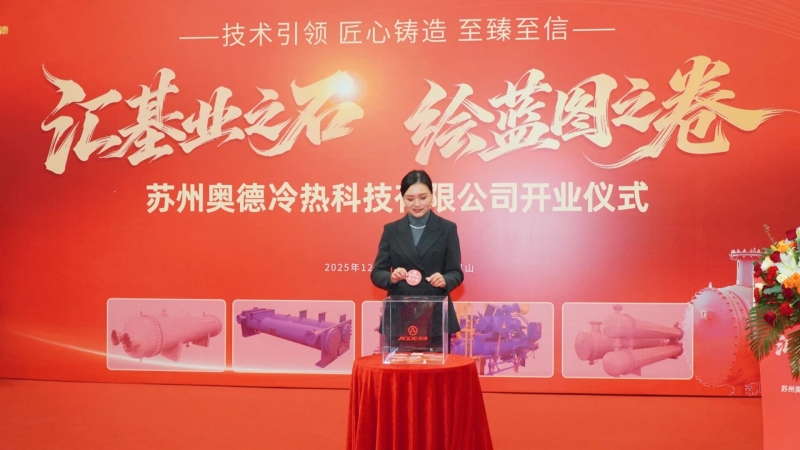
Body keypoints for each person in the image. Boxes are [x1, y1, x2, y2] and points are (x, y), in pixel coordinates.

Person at [371, 170, 463, 341]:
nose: (417, 204)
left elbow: (456, 273)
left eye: (423, 197)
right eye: (410, 199)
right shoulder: (391, 230)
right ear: (402, 199)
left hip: (435, 314)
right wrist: (391, 277)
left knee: (436, 359)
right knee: (398, 359)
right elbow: (377, 273)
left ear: (432, 196)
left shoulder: (447, 229)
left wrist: (445, 279)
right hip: (400, 314)